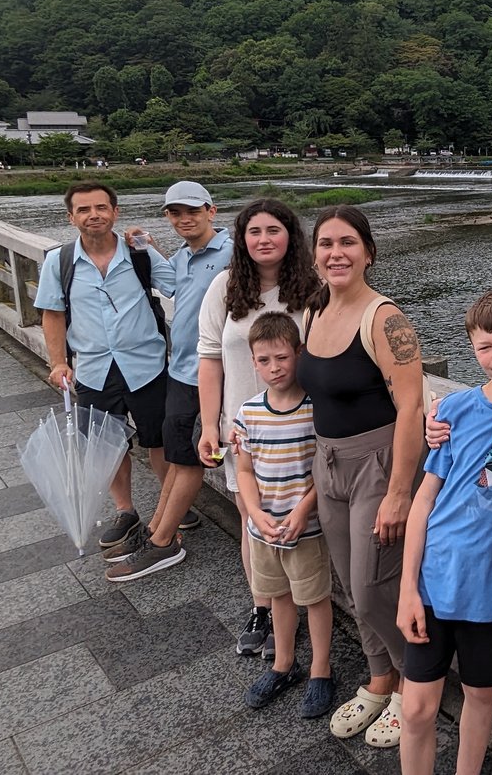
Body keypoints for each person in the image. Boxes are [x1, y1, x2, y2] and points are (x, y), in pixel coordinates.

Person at [297, 205, 425, 750]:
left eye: (347, 243)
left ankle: (413, 685)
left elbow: (413, 405)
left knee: (376, 586)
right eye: (326, 244)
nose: (336, 254)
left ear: (368, 252)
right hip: (328, 462)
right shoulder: (313, 309)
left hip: (378, 464)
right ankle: (379, 678)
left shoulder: (385, 318)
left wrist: (399, 492)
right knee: (350, 581)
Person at [398, 291, 492, 775]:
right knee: (415, 708)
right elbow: (424, 500)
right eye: (484, 347)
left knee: (481, 698)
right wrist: (407, 589)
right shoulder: (454, 412)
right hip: (435, 580)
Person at [195, 198, 318, 655]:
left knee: (300, 519)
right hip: (243, 429)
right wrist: (210, 425)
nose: (264, 240)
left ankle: (302, 608)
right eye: (254, 232)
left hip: (302, 425)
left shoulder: (313, 287)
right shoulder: (224, 288)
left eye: (273, 230)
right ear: (242, 239)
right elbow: (209, 359)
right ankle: (262, 607)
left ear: (291, 236)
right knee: (251, 519)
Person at [34, 182, 176, 548]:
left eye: (101, 207)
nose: (93, 215)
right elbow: (53, 313)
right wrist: (58, 362)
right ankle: (125, 510)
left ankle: (171, 505)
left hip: (147, 364)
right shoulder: (59, 261)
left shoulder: (137, 253)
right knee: (105, 444)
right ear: (71, 217)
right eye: (83, 209)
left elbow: (175, 284)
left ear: (115, 211)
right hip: (95, 367)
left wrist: (153, 245)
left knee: (158, 439)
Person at [103, 181, 233, 580]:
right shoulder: (182, 257)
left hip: (214, 373)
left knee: (188, 456)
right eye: (176, 212)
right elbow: (172, 283)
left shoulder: (233, 252)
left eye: (192, 210)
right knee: (177, 454)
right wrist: (143, 246)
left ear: (212, 211)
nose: (185, 219)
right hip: (180, 369)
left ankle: (162, 543)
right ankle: (159, 528)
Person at [232, 312, 336, 717]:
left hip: (304, 529)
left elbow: (323, 471)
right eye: (263, 360)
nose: (274, 368)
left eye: (281, 358)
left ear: (299, 353)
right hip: (264, 530)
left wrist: (301, 511)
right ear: (253, 362)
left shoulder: (315, 410)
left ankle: (321, 670)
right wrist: (254, 514)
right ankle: (284, 663)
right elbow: (243, 470)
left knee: (315, 598)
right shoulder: (248, 412)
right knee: (277, 595)